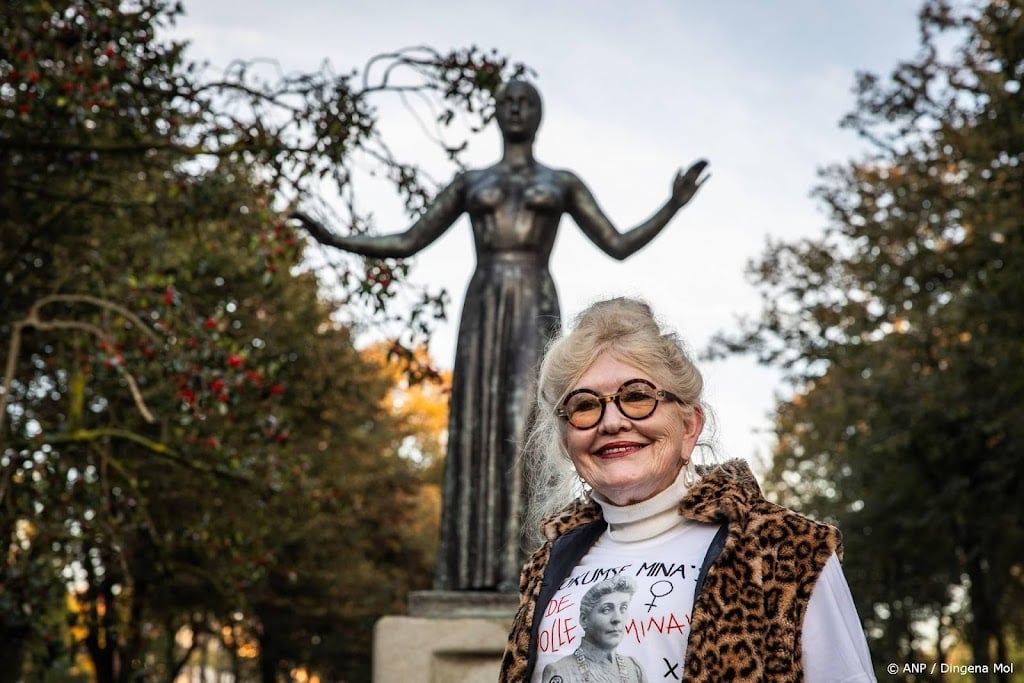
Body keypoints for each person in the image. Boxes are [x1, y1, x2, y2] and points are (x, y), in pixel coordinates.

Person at [293, 81, 709, 592]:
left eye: (526, 102)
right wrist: (333, 238)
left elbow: (617, 244)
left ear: (538, 115)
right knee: (476, 426)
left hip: (533, 301)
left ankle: (525, 568)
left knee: (528, 422)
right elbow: (407, 240)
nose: (515, 109)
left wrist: (672, 205)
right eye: (507, 102)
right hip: (485, 304)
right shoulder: (473, 181)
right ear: (496, 114)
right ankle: (465, 574)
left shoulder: (560, 182)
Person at [500, 298, 876, 682]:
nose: (611, 421)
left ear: (690, 425)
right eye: (584, 405)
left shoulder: (788, 552)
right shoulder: (547, 567)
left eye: (637, 396)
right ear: (567, 441)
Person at [540, 576, 647, 683]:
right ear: (584, 619)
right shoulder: (560, 671)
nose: (617, 618)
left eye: (623, 608)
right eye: (606, 609)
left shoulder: (634, 668)